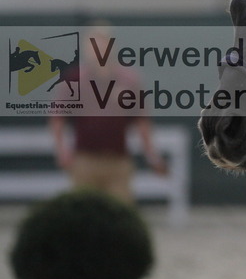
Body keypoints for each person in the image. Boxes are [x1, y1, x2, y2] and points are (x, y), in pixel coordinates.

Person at [49, 23, 167, 203]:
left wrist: (152, 156)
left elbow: (141, 121)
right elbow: (58, 118)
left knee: (119, 210)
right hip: (84, 161)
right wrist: (61, 151)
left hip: (118, 162)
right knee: (84, 210)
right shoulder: (75, 79)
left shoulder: (128, 81)